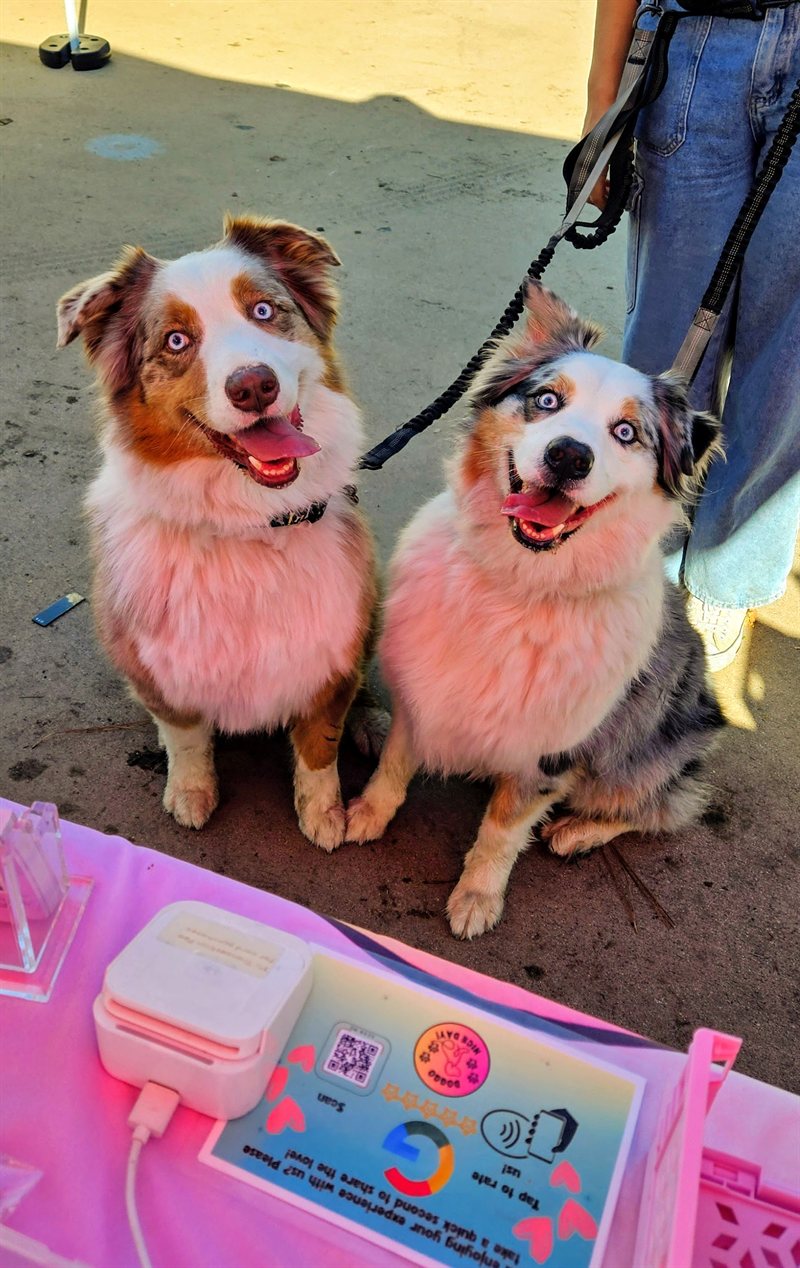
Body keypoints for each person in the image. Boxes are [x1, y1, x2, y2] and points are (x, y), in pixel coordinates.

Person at [584, 0, 800, 669]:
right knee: (668, 342)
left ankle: (724, 573)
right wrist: (603, 98)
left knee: (789, 357)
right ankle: (645, 552)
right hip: (700, 46)